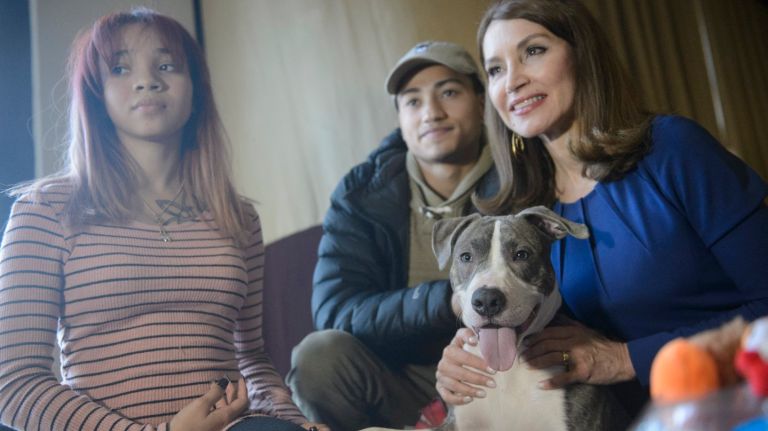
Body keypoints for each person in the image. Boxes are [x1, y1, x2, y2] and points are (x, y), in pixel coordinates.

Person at [435, 0, 768, 419]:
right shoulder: (521, 211)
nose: (513, 80)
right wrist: (464, 355)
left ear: (582, 54)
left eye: (533, 51)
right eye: (496, 69)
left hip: (735, 396)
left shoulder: (672, 150)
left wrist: (625, 358)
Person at [0, 8, 326, 431]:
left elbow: (252, 360)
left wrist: (295, 422)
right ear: (96, 94)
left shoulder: (238, 216)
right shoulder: (45, 209)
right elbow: (14, 382)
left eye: (167, 65)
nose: (147, 80)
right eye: (120, 67)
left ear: (196, 92)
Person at [287, 41, 497, 431]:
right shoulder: (363, 193)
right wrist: (446, 300)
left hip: (499, 372)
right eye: (413, 101)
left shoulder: (520, 175)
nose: (431, 113)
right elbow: (336, 310)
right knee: (318, 357)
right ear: (400, 117)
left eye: (449, 92)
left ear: (482, 101)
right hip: (402, 383)